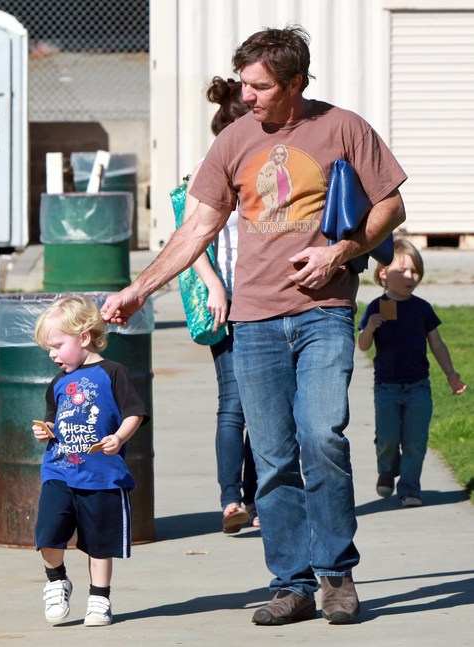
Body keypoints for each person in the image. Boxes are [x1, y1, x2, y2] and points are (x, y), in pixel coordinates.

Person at [102, 25, 407, 626]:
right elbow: (196, 229)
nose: (248, 95)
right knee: (271, 457)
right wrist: (140, 290)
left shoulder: (343, 127)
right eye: (244, 83)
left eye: (261, 86)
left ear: (295, 83)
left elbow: (391, 204)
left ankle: (337, 575)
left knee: (322, 437)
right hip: (255, 323)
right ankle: (291, 583)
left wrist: (339, 253)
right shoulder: (232, 142)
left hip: (323, 313)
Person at [32, 295, 149, 627]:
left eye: (56, 345)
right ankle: (56, 579)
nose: (52, 354)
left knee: (100, 542)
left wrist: (120, 438)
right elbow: (55, 420)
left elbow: (135, 413)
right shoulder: (57, 383)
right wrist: (47, 431)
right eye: (48, 349)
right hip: (59, 470)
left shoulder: (114, 373)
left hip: (102, 474)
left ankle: (99, 598)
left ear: (83, 338)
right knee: (49, 532)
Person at [183, 76, 259, 533]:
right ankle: (233, 500)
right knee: (234, 404)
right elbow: (191, 239)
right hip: (226, 300)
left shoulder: (269, 163)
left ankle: (262, 496)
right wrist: (215, 287)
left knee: (269, 405)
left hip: (270, 297)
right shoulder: (206, 168)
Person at [357, 238, 467, 507]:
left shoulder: (422, 309)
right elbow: (363, 346)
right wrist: (369, 328)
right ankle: (386, 471)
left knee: (415, 441)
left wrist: (451, 375)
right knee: (387, 438)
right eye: (403, 270)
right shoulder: (377, 307)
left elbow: (437, 344)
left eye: (415, 271)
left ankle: (409, 489)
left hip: (419, 386)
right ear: (383, 274)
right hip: (387, 387)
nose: (411, 276)